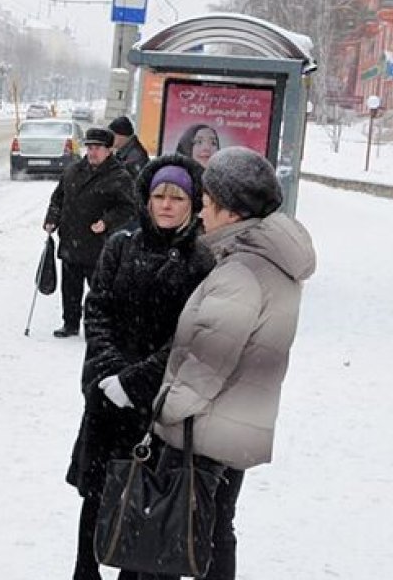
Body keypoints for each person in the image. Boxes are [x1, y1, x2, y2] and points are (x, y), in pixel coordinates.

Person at [146, 146, 316, 580]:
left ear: (232, 212)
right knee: (216, 530)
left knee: (171, 536)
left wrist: (165, 406)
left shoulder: (240, 270)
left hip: (203, 432)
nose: (200, 213)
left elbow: (210, 361)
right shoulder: (272, 261)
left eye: (205, 203)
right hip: (236, 427)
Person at [64, 154, 215, 580]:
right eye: (159, 196)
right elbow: (97, 311)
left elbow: (190, 338)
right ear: (147, 200)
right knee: (96, 497)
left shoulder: (200, 262)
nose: (166, 204)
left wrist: (136, 381)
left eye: (177, 197)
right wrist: (109, 372)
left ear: (192, 204)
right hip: (106, 400)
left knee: (145, 503)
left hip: (158, 406)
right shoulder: (120, 246)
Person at [43, 127, 136, 338]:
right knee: (70, 288)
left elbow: (128, 207)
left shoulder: (119, 176)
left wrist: (106, 222)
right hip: (70, 239)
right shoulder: (73, 171)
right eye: (90, 147)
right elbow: (58, 198)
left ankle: (97, 327)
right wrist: (51, 219)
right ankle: (70, 323)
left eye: (98, 148)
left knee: (98, 291)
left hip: (98, 244)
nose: (93, 152)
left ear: (108, 151)